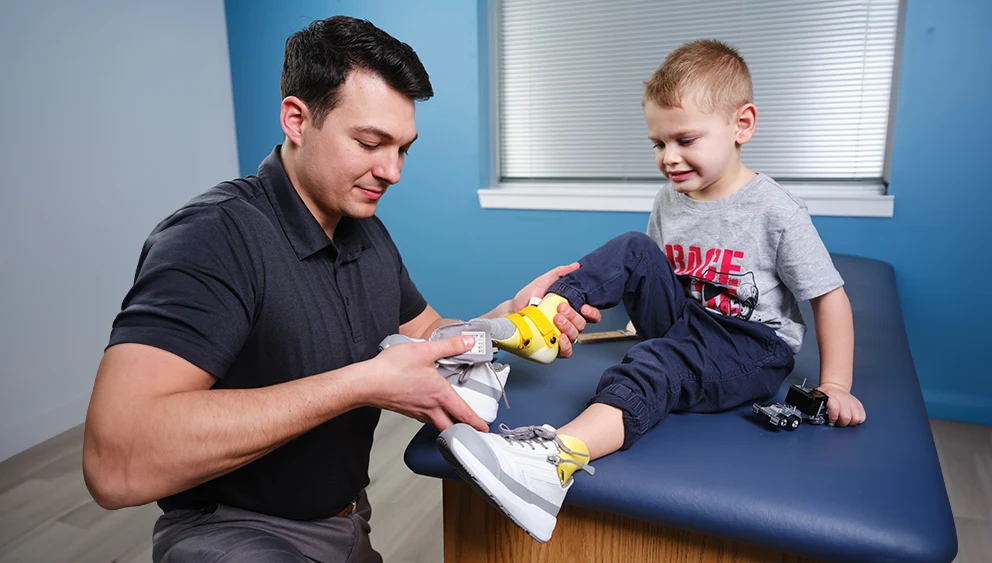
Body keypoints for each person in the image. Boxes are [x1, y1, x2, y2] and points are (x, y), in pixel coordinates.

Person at [81, 15, 599, 563]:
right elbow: (115, 461)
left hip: (348, 520)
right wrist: (359, 385)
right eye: (371, 142)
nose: (393, 171)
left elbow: (423, 331)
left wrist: (504, 320)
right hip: (234, 534)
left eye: (403, 148)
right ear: (297, 120)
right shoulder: (211, 238)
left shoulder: (363, 228)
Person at [437, 39, 867, 544]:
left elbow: (829, 297)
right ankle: (538, 322)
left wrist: (836, 385)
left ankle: (553, 462)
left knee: (660, 364)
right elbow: (652, 273)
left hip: (749, 345)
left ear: (742, 126)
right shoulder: (671, 198)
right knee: (635, 247)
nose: (669, 158)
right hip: (685, 320)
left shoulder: (777, 212)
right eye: (659, 144)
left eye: (685, 140)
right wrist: (599, 298)